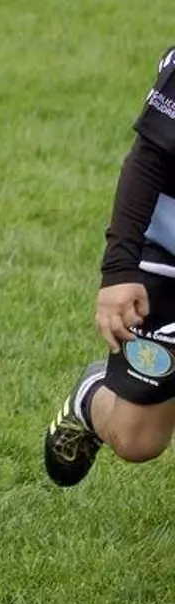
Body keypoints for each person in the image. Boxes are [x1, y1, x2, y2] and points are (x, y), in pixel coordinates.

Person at [43, 46, 175, 486]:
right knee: (137, 439)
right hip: (168, 259)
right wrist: (119, 272)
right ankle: (91, 396)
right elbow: (149, 157)